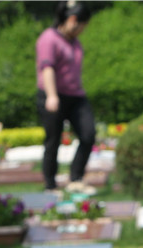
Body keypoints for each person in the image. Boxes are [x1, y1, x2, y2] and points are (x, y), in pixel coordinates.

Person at [36, 0, 96, 195]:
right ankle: (50, 184)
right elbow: (47, 68)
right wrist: (52, 95)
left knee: (88, 134)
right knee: (53, 140)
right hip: (53, 95)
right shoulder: (49, 38)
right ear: (73, 20)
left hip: (76, 96)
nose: (82, 31)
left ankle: (76, 177)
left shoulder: (74, 42)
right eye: (83, 26)